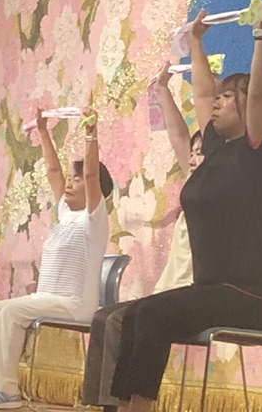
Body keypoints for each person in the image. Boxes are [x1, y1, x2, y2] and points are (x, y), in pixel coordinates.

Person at [109, 11, 262, 412]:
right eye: (220, 96)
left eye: (229, 97)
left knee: (152, 314)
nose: (217, 102)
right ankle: (122, 407)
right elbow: (204, 95)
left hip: (255, 295)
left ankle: (140, 408)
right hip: (215, 289)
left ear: (248, 109)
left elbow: (260, 96)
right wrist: (196, 40)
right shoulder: (215, 149)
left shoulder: (256, 150)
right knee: (135, 315)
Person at [0, 107, 113, 410]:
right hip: (45, 298)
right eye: (71, 178)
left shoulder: (95, 220)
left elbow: (92, 174)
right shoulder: (66, 213)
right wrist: (43, 130)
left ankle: (6, 391)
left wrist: (91, 133)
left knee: (12, 314)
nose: (70, 182)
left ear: (95, 190)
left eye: (77, 180)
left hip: (74, 304)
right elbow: (53, 171)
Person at [83, 62, 204, 411]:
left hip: (192, 292)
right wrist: (163, 89)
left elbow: (190, 133)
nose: (193, 157)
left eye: (202, 153)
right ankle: (103, 404)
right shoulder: (196, 184)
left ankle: (125, 405)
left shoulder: (223, 188)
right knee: (104, 317)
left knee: (127, 320)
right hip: (167, 290)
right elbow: (179, 135)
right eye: (194, 152)